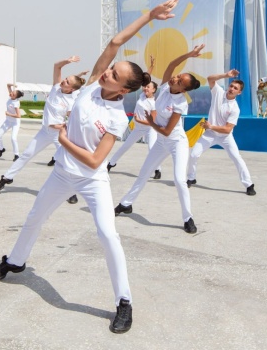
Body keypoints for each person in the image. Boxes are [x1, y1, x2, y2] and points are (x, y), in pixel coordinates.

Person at [0, 0, 180, 335]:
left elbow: (93, 160)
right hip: (61, 174)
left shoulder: (117, 118)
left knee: (108, 235)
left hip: (92, 180)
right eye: (110, 68)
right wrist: (149, 16)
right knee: (34, 218)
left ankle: (124, 302)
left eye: (114, 75)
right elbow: (115, 42)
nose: (107, 72)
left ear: (123, 89)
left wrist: (62, 138)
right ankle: (15, 262)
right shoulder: (91, 86)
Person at [114, 44, 204, 235]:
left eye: (179, 81)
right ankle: (126, 204)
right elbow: (171, 65)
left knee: (179, 180)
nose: (175, 78)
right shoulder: (164, 87)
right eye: (178, 76)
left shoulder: (181, 103)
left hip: (176, 142)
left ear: (183, 90)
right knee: (144, 173)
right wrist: (189, 54)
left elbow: (167, 130)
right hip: (161, 142)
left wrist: (149, 122)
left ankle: (187, 218)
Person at [0, 55, 85, 206]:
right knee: (27, 154)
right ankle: (7, 177)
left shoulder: (71, 102)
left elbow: (72, 121)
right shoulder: (56, 88)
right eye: (65, 78)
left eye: (67, 82)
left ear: (72, 89)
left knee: (66, 162)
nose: (64, 81)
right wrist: (67, 61)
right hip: (44, 132)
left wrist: (61, 127)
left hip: (58, 135)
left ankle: (71, 193)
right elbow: (57, 66)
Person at [186, 70, 256, 195]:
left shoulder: (235, 109)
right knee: (193, 154)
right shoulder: (218, 92)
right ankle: (191, 178)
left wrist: (211, 126)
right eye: (231, 86)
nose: (232, 89)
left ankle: (249, 185)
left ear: (239, 92)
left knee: (237, 158)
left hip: (225, 137)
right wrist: (226, 75)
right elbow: (210, 78)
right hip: (209, 134)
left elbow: (227, 129)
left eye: (235, 88)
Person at [107, 81, 161, 179]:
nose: (145, 88)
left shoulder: (154, 104)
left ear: (153, 90)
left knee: (152, 148)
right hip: (138, 128)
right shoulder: (142, 96)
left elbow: (152, 122)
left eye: (148, 87)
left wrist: (138, 120)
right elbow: (145, 78)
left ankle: (157, 170)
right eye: (145, 86)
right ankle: (111, 163)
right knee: (125, 145)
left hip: (150, 129)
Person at [0, 83, 23, 161]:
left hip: (15, 123)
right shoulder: (11, 97)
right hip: (8, 121)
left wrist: (9, 114)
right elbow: (8, 85)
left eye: (13, 94)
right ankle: (1, 149)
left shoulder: (16, 103)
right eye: (12, 92)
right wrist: (13, 85)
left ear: (15, 97)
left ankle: (16, 155)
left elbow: (18, 115)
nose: (11, 94)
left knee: (13, 138)